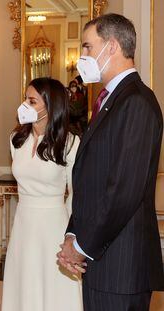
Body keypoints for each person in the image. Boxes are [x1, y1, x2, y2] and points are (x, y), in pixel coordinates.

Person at [57, 13, 164, 311]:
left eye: (88, 47)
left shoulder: (137, 102)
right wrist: (73, 233)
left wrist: (82, 247)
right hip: (103, 260)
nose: (83, 55)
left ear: (112, 46)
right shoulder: (109, 99)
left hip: (121, 264)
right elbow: (91, 179)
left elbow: (123, 191)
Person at [1, 77, 82, 311]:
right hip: (24, 223)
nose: (24, 105)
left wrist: (71, 236)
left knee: (54, 287)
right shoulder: (16, 140)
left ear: (50, 105)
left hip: (54, 225)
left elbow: (75, 194)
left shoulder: (70, 142)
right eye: (25, 99)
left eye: (31, 100)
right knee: (24, 283)